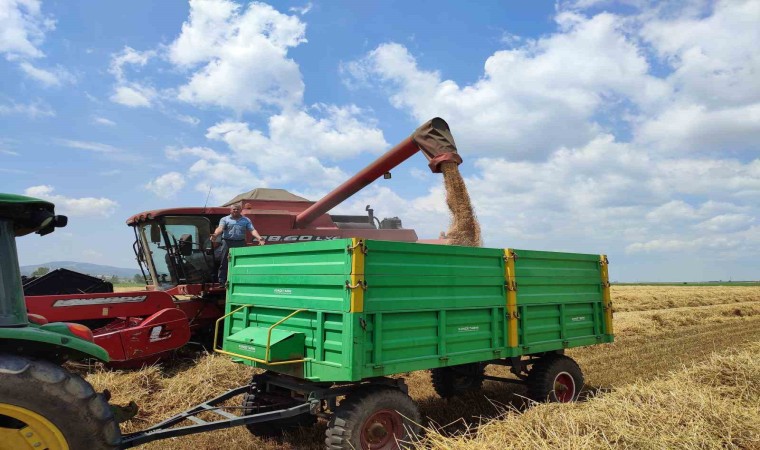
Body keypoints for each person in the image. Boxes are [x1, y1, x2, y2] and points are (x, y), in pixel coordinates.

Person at [211, 203, 265, 284]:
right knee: (225, 262)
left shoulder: (246, 220)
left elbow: (252, 230)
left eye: (237, 209)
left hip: (240, 243)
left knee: (241, 262)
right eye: (234, 209)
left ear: (241, 210)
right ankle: (222, 281)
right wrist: (215, 234)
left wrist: (259, 238)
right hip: (227, 242)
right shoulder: (224, 219)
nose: (236, 210)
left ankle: (240, 281)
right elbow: (220, 228)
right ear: (230, 210)